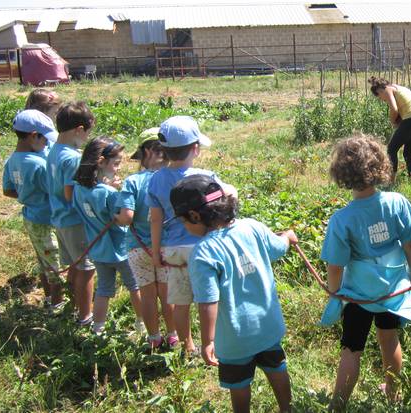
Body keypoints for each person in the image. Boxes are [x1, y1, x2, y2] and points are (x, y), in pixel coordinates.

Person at [170, 174, 294, 413]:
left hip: (234, 339)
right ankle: (287, 408)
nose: (184, 227)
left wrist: (208, 341)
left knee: (238, 382)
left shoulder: (203, 253)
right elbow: (279, 248)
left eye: (183, 221)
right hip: (268, 327)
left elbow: (208, 301)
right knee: (277, 366)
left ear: (195, 216)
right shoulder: (252, 227)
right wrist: (287, 237)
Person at [320, 134, 411, 410]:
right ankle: (393, 395)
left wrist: (334, 290)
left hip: (358, 294)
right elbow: (410, 243)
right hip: (392, 291)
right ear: (380, 167)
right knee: (389, 340)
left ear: (342, 174)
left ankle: (338, 404)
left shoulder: (342, 219)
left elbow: (335, 266)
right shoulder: (398, 202)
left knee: (352, 347)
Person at [147, 115, 237, 355]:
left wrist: (156, 252)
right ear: (195, 149)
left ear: (163, 150)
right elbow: (228, 197)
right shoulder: (205, 177)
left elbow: (155, 219)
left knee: (180, 300)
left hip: (173, 249)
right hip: (204, 245)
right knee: (209, 296)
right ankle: (214, 342)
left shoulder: (156, 179)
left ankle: (188, 345)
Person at [72, 137, 143, 335]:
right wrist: (115, 190)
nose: (118, 168)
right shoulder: (108, 193)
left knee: (103, 289)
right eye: (116, 163)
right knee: (134, 285)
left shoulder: (78, 188)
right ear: (101, 162)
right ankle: (141, 324)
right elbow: (122, 216)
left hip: (99, 251)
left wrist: (108, 186)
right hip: (120, 249)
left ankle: (98, 328)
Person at [117, 128, 175, 349]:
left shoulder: (133, 182)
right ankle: (173, 336)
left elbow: (126, 217)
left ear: (146, 152)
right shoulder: (170, 180)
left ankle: (154, 338)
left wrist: (115, 216)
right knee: (167, 294)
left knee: (148, 295)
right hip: (165, 247)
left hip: (137, 248)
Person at [3, 110, 64, 310]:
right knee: (56, 267)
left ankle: (48, 299)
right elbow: (54, 191)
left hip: (31, 217)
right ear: (33, 136)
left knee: (44, 261)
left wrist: (27, 196)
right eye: (45, 139)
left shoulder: (12, 160)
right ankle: (57, 307)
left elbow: (8, 190)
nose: (47, 144)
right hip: (46, 220)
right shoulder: (39, 164)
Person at [46, 102, 97, 326]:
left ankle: (75, 307)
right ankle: (86, 317)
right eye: (87, 133)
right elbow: (70, 193)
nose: (86, 138)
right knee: (87, 269)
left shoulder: (53, 150)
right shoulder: (73, 158)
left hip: (58, 218)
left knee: (74, 266)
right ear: (78, 129)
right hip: (74, 220)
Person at [369, 76, 411, 181]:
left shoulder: (387, 90)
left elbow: (394, 109)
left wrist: (392, 121)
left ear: (380, 90)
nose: (381, 100)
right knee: (409, 151)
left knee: (391, 149)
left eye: (379, 96)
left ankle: (391, 180)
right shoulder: (400, 88)